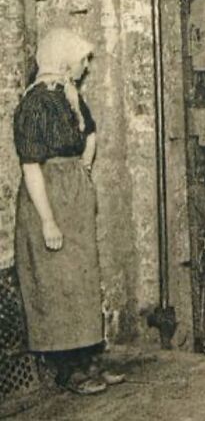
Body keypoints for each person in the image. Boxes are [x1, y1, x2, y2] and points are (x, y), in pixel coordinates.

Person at [13, 28, 125, 395]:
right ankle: (68, 371)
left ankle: (89, 361)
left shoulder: (69, 96)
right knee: (57, 284)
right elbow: (31, 165)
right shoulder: (35, 104)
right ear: (62, 61)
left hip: (74, 194)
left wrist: (84, 170)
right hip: (49, 196)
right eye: (82, 60)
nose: (86, 66)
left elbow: (89, 133)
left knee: (82, 279)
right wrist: (47, 219)